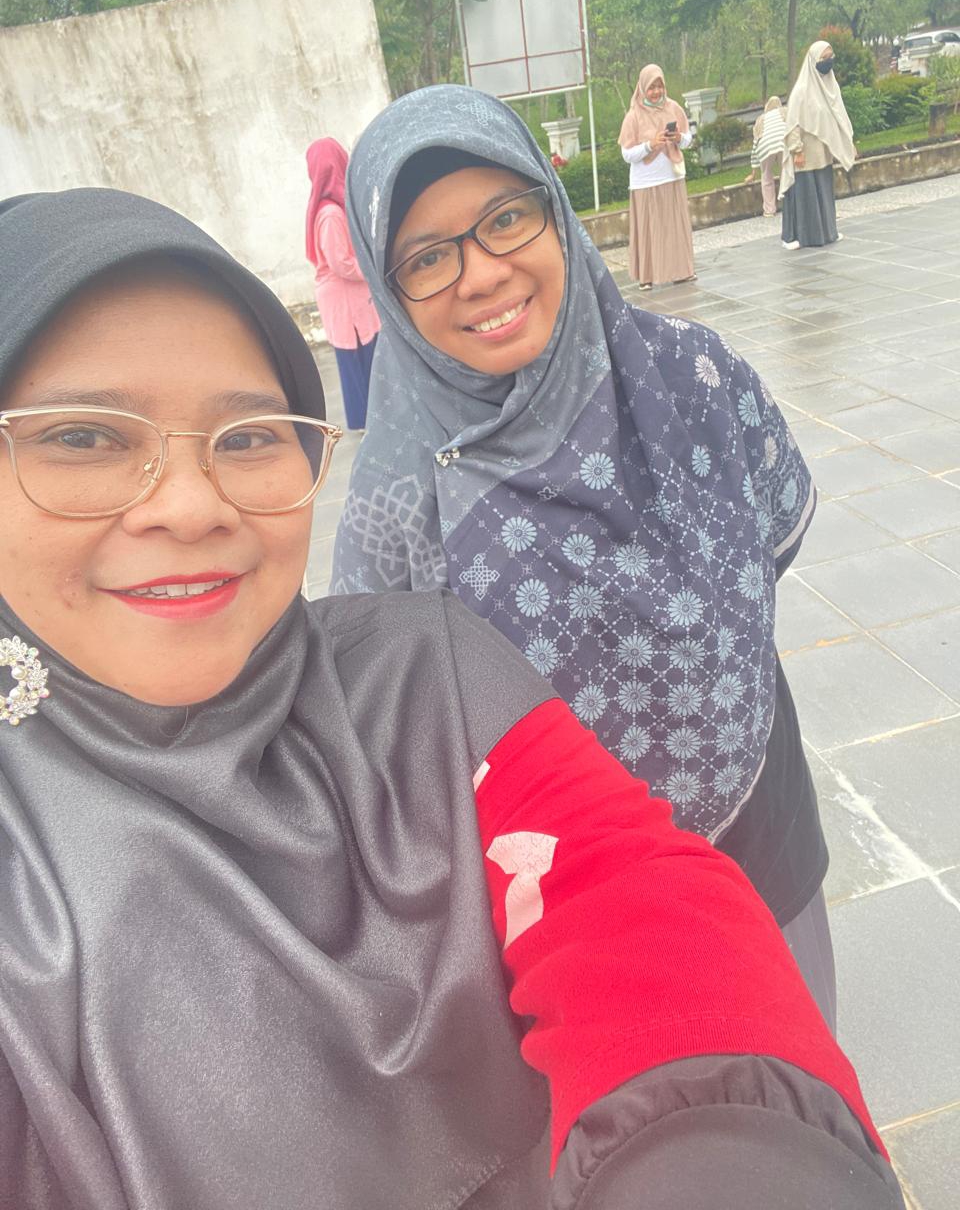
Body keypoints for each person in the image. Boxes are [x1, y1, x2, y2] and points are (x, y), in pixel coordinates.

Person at [0, 188, 906, 1209]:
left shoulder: (419, 674)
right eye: (84, 438)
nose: (190, 505)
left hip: (760, 798)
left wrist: (741, 1152)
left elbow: (628, 898)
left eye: (250, 435)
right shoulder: (401, 482)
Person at [333, 84, 836, 1029]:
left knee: (797, 1069)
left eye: (505, 218)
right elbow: (390, 749)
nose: (482, 274)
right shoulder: (396, 507)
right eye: (427, 257)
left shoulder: (689, 374)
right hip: (577, 898)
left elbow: (771, 535)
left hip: (763, 818)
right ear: (388, 292)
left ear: (556, 215)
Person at [305, 137, 379, 428]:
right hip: (345, 299)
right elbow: (342, 263)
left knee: (362, 358)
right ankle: (365, 421)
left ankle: (368, 419)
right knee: (357, 359)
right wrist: (371, 267)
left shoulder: (332, 209)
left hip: (346, 296)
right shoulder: (331, 214)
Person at [617, 64, 695, 288]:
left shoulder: (673, 108)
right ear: (642, 88)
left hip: (672, 177)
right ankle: (647, 277)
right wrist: (650, 145)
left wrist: (678, 138)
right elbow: (627, 154)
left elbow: (688, 139)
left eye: (659, 86)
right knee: (649, 232)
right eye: (651, 88)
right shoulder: (633, 116)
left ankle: (681, 271)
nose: (656, 92)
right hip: (645, 183)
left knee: (675, 229)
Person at [780, 41, 856, 249]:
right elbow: (793, 123)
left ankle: (827, 232)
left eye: (831, 57)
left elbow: (839, 117)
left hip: (823, 152)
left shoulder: (830, 86)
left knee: (823, 190)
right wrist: (797, 150)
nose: (828, 62)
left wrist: (847, 142)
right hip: (805, 153)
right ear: (813, 60)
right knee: (805, 193)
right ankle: (799, 236)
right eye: (824, 58)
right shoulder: (802, 90)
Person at [749, 95, 787, 217]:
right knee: (785, 172)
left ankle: (769, 210)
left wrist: (753, 171)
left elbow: (755, 143)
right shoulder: (784, 111)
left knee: (766, 176)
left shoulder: (760, 119)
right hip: (782, 142)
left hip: (764, 146)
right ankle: (789, 203)